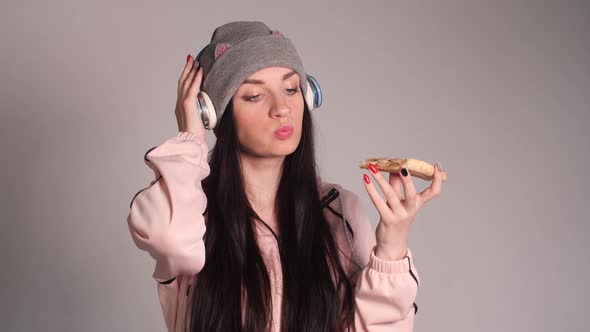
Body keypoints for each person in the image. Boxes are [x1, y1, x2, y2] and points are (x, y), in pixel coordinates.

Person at [126, 21, 444, 332]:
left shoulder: (341, 212)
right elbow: (169, 237)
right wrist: (190, 139)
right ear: (214, 114)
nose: (282, 108)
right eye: (255, 95)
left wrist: (391, 247)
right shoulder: (191, 213)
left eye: (291, 89)